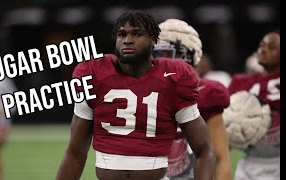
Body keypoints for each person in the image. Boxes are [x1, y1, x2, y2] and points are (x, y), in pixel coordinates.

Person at [56, 11, 216, 180]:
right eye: (122, 34)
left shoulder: (173, 79)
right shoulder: (94, 75)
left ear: (153, 39)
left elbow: (204, 151)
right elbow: (75, 153)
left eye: (137, 33)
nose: (128, 40)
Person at [153, 19, 232, 180]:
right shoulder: (139, 89)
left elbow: (220, 158)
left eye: (166, 53)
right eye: (156, 53)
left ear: (187, 56)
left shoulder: (207, 93)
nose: (159, 59)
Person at [227, 31, 280, 180]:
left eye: (272, 47)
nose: (263, 50)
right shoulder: (242, 82)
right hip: (250, 161)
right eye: (261, 46)